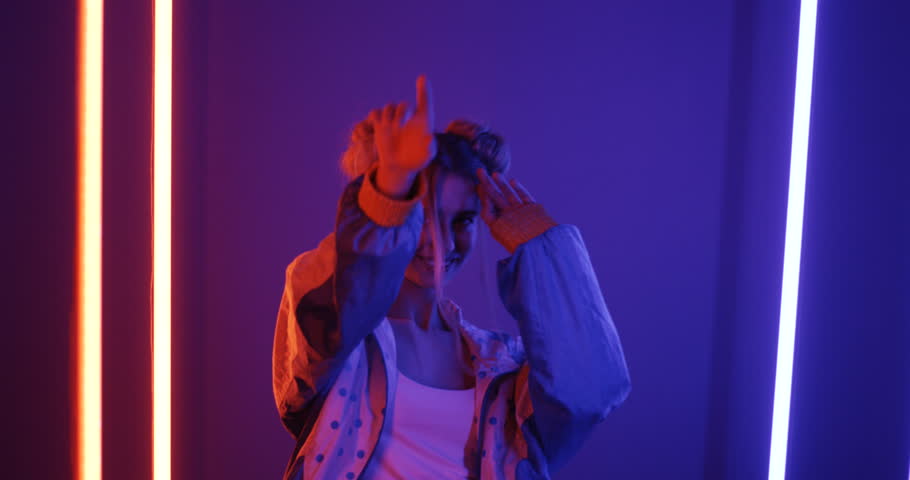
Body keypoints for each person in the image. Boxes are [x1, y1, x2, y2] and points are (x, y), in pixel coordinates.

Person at [272, 75, 630, 480]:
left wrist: (544, 252)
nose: (440, 241)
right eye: (420, 215)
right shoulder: (336, 343)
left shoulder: (501, 362)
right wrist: (389, 190)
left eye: (462, 220)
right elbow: (339, 298)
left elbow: (591, 394)